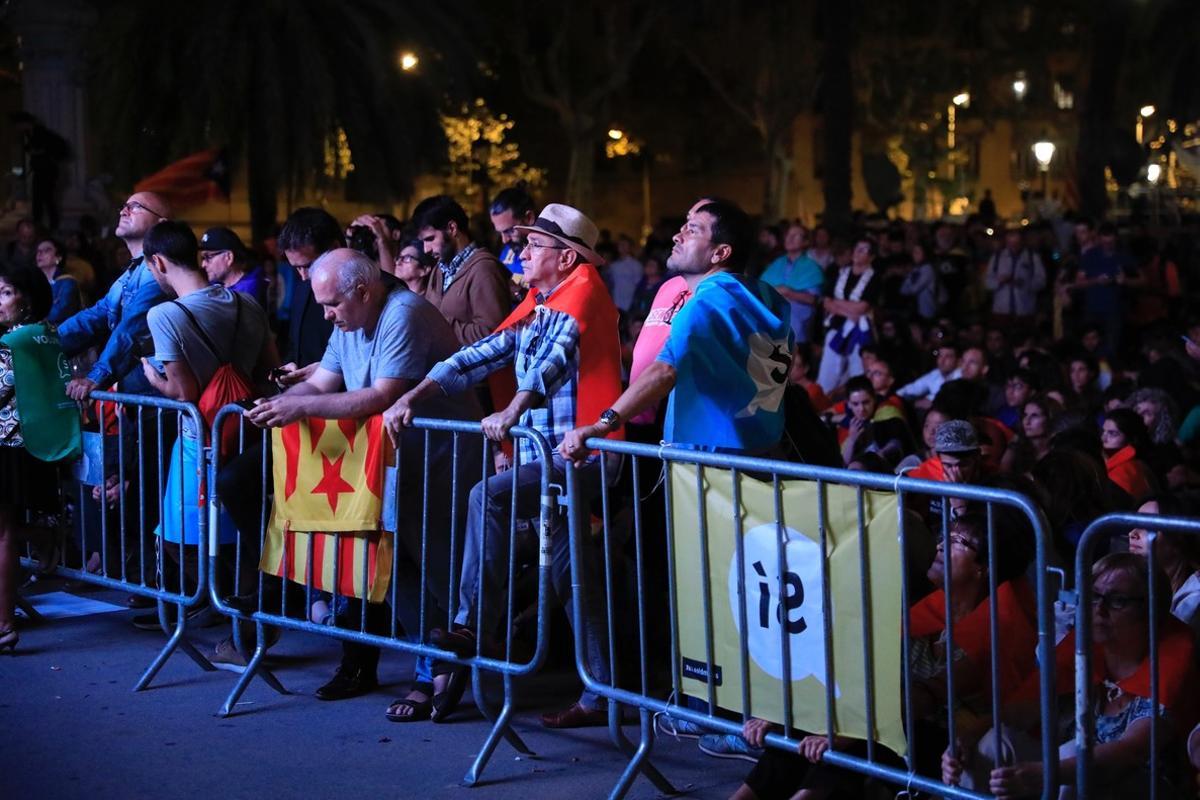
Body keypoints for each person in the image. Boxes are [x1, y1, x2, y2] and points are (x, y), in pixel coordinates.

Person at [386, 203, 622, 729]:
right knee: (570, 573)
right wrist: (415, 395)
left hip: (586, 456)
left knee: (486, 495)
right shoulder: (542, 300)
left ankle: (473, 624)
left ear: (565, 257)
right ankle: (603, 695)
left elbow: (549, 363)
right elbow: (484, 352)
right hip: (558, 456)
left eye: (534, 245)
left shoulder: (582, 291)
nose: (522, 251)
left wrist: (511, 410)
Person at [244, 248, 479, 707]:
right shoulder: (349, 319)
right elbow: (322, 383)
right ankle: (430, 666)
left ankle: (448, 673)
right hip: (390, 465)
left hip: (439, 460)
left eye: (332, 304)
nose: (327, 315)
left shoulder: (403, 314)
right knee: (397, 572)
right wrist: (282, 401)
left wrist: (302, 406)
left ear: (364, 292)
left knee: (438, 571)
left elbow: (380, 396)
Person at [944, 553, 1199, 799]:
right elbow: (1023, 709)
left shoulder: (1174, 651)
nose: (1099, 610)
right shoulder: (1087, 642)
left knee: (1072, 756)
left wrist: (1049, 773)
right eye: (1094, 596)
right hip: (1076, 773)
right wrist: (965, 739)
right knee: (996, 742)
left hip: (1148, 784)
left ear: (1151, 610)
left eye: (1118, 600)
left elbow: (1132, 751)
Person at [0, 266, 81, 652]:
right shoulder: (44, 333)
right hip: (29, 447)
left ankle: (4, 625)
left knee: (3, 534)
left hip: (11, 447)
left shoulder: (17, 340)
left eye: (5, 293)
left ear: (27, 298)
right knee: (7, 533)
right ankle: (44, 537)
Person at [56, 192, 173, 400]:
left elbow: (133, 328)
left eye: (135, 206)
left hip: (156, 391)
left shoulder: (159, 270)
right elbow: (94, 316)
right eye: (124, 205)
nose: (123, 211)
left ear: (161, 223)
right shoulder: (132, 272)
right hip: (138, 388)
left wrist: (95, 377)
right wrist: (44, 342)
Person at [413, 194, 511, 347]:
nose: (426, 249)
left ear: (452, 228)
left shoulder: (484, 269)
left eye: (430, 239)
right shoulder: (440, 268)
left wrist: (437, 323)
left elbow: (493, 334)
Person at [1127, 496, 1200, 635]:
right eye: (1134, 523)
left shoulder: (1195, 600)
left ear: (1178, 540)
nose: (1132, 533)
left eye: (1148, 526)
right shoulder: (1132, 585)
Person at [816, 238, 880, 393]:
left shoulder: (874, 278)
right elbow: (826, 302)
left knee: (856, 370)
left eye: (863, 249)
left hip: (860, 332)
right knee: (828, 370)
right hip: (837, 327)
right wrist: (847, 311)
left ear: (871, 257)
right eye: (857, 247)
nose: (858, 252)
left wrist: (838, 304)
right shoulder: (840, 273)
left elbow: (862, 307)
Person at [759, 222, 824, 344]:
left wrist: (788, 292)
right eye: (788, 235)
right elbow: (761, 289)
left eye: (796, 235)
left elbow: (814, 299)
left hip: (798, 321)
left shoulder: (812, 268)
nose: (790, 238)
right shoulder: (776, 263)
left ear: (805, 242)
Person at [984, 227, 1046, 329]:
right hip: (1001, 310)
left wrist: (1025, 284)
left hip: (1024, 309)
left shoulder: (1032, 257)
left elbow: (1041, 281)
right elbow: (988, 282)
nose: (1013, 246)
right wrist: (1000, 281)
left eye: (1016, 243)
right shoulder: (997, 257)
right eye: (1010, 243)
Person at [198, 227, 268, 307]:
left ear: (229, 257)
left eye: (208, 257)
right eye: (202, 258)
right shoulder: (213, 286)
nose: (203, 264)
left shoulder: (249, 290)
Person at [1101, 408, 1159, 502]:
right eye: (1103, 431)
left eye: (1112, 434)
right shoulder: (1125, 464)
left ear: (1131, 438)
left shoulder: (1126, 471)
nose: (1103, 438)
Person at [489, 185, 537, 284]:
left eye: (510, 231)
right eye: (500, 233)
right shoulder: (510, 249)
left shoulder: (547, 255)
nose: (504, 240)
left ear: (529, 218)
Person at [896, 343, 961, 409]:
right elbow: (914, 387)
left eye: (948, 356)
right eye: (940, 356)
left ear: (958, 361)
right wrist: (895, 396)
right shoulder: (936, 373)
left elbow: (944, 401)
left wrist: (926, 401)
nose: (942, 360)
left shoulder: (961, 375)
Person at [34, 237, 81, 324]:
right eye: (38, 251)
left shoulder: (68, 282)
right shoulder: (34, 283)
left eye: (47, 250)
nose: (40, 254)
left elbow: (61, 312)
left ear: (58, 257)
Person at [605, 234, 643, 313]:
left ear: (630, 247)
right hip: (615, 302)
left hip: (630, 303)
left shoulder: (636, 265)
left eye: (625, 245)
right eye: (620, 245)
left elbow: (638, 285)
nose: (622, 247)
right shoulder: (614, 265)